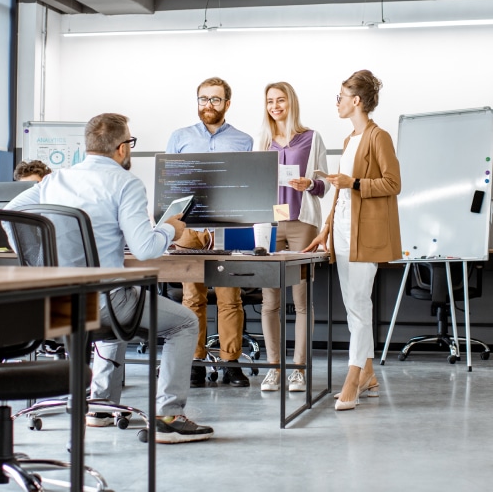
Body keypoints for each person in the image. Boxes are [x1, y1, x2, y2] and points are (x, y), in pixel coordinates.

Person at [6, 113, 213, 443]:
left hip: (55, 303)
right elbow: (145, 249)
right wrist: (170, 229)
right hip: (102, 303)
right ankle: (168, 416)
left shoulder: (54, 180)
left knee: (117, 307)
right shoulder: (125, 183)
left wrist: (39, 254)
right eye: (129, 143)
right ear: (121, 148)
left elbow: (10, 216)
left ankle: (100, 408)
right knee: (183, 322)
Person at [303, 70, 401, 411]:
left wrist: (354, 182)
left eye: (342, 96)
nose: (338, 102)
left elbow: (392, 183)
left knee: (358, 306)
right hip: (343, 232)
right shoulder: (348, 141)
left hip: (366, 233)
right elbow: (341, 195)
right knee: (355, 306)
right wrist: (325, 230)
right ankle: (369, 374)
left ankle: (353, 375)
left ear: (356, 101)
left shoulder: (379, 137)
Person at [166, 77, 254, 388]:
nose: (209, 105)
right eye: (204, 99)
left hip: (226, 227)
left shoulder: (243, 141)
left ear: (227, 104)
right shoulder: (180, 137)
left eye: (216, 99)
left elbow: (246, 187)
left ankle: (231, 363)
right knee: (193, 297)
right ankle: (195, 362)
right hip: (189, 227)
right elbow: (170, 185)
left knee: (231, 298)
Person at [256, 82, 330, 393]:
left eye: (280, 100)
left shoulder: (311, 138)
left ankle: (298, 370)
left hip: (302, 223)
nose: (275, 106)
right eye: (270, 101)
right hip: (271, 225)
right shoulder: (262, 142)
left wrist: (308, 185)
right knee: (270, 301)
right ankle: (274, 369)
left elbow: (324, 185)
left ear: (291, 103)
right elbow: (251, 186)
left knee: (301, 301)